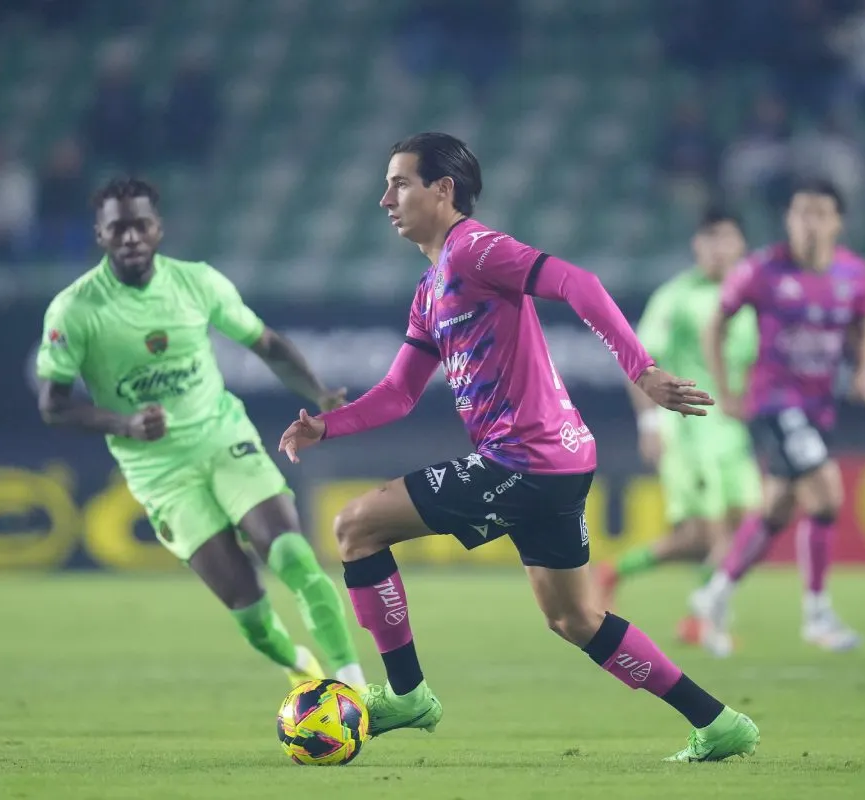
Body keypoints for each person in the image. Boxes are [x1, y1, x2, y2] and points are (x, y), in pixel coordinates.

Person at [277, 133, 760, 762]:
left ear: (443, 189)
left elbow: (576, 282)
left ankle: (408, 694)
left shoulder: (475, 249)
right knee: (574, 619)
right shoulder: (431, 290)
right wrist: (326, 427)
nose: (384, 199)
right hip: (556, 460)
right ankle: (718, 723)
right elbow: (398, 393)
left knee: (355, 527)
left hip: (523, 458)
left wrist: (641, 369)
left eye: (399, 183)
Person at [35, 178, 367, 692]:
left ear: (158, 229)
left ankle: (356, 685)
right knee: (248, 606)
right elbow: (53, 406)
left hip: (223, 439)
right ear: (99, 236)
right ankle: (300, 666)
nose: (130, 237)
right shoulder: (74, 311)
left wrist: (320, 394)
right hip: (160, 473)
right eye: (116, 227)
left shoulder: (197, 283)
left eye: (139, 224)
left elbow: (268, 344)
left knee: (293, 557)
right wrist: (124, 424)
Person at [691, 179, 865, 657]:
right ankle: (817, 615)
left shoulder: (854, 273)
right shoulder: (762, 270)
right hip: (774, 404)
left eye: (819, 213)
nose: (808, 223)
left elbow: (863, 325)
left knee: (775, 510)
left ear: (837, 222)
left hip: (819, 407)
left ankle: (714, 595)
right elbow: (717, 322)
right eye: (799, 213)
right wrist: (726, 390)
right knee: (826, 494)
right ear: (787, 220)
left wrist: (864, 372)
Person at [595, 208, 761, 646]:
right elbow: (639, 361)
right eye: (709, 239)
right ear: (696, 246)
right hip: (688, 430)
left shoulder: (751, 298)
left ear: (741, 245)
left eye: (726, 238)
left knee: (741, 529)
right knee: (711, 535)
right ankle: (700, 618)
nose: (717, 248)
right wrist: (650, 422)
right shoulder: (677, 297)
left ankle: (616, 571)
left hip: (732, 432)